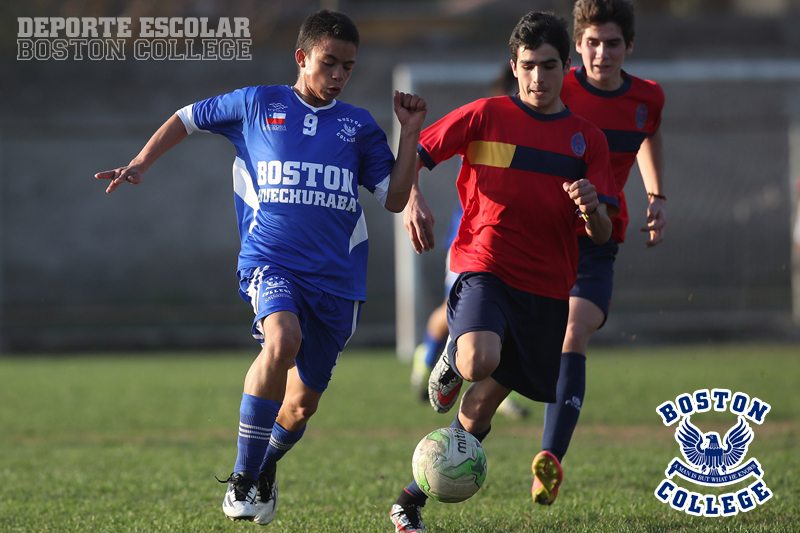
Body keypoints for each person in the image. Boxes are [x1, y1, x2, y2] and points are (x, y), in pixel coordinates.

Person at [94, 10, 427, 526]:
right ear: (302, 58)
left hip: (337, 282)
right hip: (271, 262)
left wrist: (409, 134)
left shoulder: (358, 126)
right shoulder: (257, 104)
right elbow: (187, 116)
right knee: (281, 340)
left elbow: (395, 198)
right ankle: (243, 478)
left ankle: (266, 467)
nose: (339, 74)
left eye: (348, 67)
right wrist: (141, 162)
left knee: (300, 409)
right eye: (329, 62)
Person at [390, 11, 619, 532]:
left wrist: (592, 209)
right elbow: (417, 155)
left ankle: (409, 500)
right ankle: (456, 350)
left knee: (482, 408)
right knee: (478, 359)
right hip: (484, 264)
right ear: (514, 67)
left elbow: (602, 234)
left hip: (548, 288)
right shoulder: (485, 115)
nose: (539, 78)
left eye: (551, 66)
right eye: (529, 66)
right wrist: (412, 202)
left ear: (567, 68)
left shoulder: (589, 141)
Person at [531, 0, 666, 506]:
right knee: (506, 337)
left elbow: (649, 132)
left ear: (628, 46)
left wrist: (657, 195)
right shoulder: (554, 85)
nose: (601, 53)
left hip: (599, 236)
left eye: (612, 43)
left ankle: (550, 460)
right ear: (577, 44)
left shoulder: (648, 97)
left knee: (574, 328)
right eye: (591, 42)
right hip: (539, 233)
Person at [410, 65, 529, 420]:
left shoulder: (548, 127)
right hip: (474, 241)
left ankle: (493, 386)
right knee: (453, 311)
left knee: (504, 314)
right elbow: (422, 151)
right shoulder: (488, 120)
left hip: (517, 246)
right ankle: (427, 355)